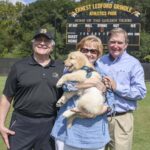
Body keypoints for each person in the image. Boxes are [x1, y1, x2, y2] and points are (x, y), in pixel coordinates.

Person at [0, 28, 64, 150]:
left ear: (52, 46)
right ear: (33, 43)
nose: (42, 43)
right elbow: (7, 96)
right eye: (39, 39)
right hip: (22, 123)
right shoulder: (19, 67)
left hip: (50, 124)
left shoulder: (61, 68)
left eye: (46, 40)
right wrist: (0, 124)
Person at [51, 35, 114, 150]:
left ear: (98, 54)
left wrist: (99, 111)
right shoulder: (69, 70)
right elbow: (66, 87)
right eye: (85, 50)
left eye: (93, 51)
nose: (89, 54)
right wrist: (92, 83)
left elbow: (111, 102)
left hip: (95, 132)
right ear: (79, 51)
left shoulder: (104, 73)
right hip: (67, 131)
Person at [96, 27, 147, 150]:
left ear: (126, 45)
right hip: (97, 118)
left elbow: (141, 92)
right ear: (107, 43)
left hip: (120, 118)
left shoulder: (133, 64)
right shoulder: (99, 62)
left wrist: (116, 87)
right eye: (113, 42)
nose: (116, 45)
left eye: (120, 43)